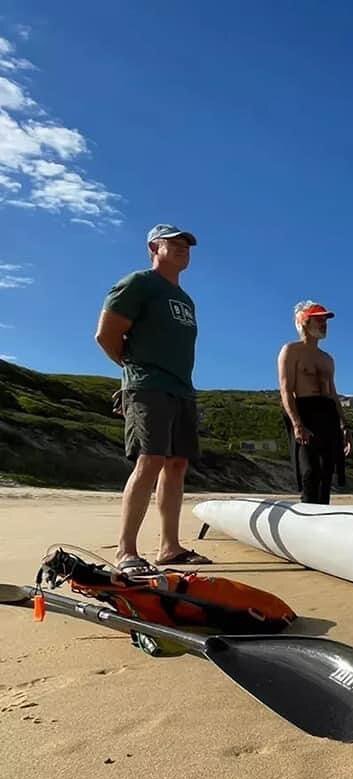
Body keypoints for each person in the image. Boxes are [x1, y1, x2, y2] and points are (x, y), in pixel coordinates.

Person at [94, 224, 211, 577]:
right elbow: (106, 334)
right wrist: (133, 374)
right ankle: (126, 550)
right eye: (173, 243)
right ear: (152, 247)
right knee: (151, 459)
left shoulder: (186, 300)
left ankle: (169, 547)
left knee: (177, 464)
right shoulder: (138, 283)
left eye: (186, 245)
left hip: (182, 388)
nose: (182, 249)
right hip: (148, 386)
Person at [277, 301, 352, 504]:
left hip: (327, 413)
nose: (324, 324)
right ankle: (306, 514)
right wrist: (297, 424)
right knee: (310, 471)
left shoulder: (327, 359)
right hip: (304, 410)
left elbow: (333, 393)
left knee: (327, 472)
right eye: (318, 320)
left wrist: (344, 425)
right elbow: (286, 389)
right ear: (304, 322)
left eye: (325, 320)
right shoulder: (291, 350)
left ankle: (321, 517)